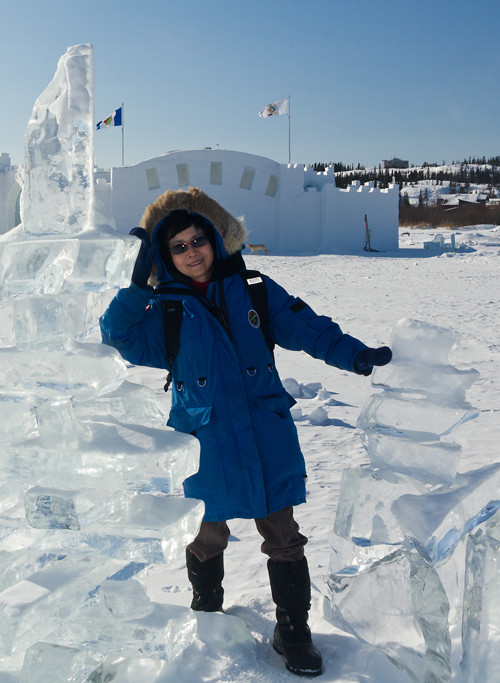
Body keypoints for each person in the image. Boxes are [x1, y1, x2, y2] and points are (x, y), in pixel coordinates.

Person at [100, 188, 391, 678]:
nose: (192, 252)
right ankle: (206, 611)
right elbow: (119, 338)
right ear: (165, 258)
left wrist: (353, 354)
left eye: (198, 241)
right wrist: (138, 287)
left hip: (264, 434)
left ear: (214, 239)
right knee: (207, 535)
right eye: (178, 247)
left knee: (283, 535)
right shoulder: (165, 311)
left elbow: (309, 328)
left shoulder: (254, 288)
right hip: (204, 441)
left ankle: (293, 629)